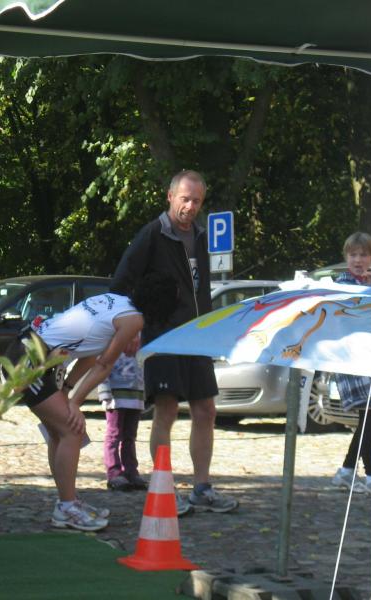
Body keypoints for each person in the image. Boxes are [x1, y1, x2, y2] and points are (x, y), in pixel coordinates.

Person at [6, 273, 177, 531]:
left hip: (32, 349)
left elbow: (90, 354)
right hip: (32, 358)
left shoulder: (115, 301)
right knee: (71, 430)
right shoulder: (134, 320)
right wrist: (75, 403)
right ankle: (66, 507)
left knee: (59, 432)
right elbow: (105, 364)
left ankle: (68, 500)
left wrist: (67, 390)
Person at [111, 170, 238, 515]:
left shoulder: (202, 237)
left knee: (206, 410)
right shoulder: (152, 235)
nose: (190, 207)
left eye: (196, 201)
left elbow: (201, 289)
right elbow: (121, 283)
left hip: (198, 336)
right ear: (170, 197)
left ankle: (202, 488)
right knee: (166, 410)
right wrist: (131, 327)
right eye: (185, 199)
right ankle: (163, 489)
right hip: (163, 335)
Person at [330, 232, 371, 497]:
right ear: (346, 257)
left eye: (363, 255)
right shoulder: (342, 283)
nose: (358, 260)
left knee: (369, 417)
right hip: (352, 356)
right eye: (353, 255)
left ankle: (348, 471)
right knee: (369, 414)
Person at [98, 353, 147, 491]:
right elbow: (101, 362)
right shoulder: (112, 340)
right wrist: (104, 390)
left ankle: (131, 471)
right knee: (114, 434)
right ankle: (114, 473)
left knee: (130, 436)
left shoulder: (140, 342)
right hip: (115, 395)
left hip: (136, 394)